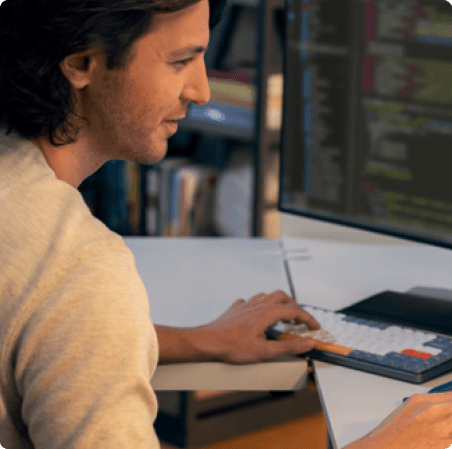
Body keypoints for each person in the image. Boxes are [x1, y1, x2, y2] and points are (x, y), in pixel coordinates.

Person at [0, 0, 450, 448]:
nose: (201, 91)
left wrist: (199, 341)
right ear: (82, 62)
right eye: (180, 62)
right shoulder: (81, 269)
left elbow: (50, 334)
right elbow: (71, 306)